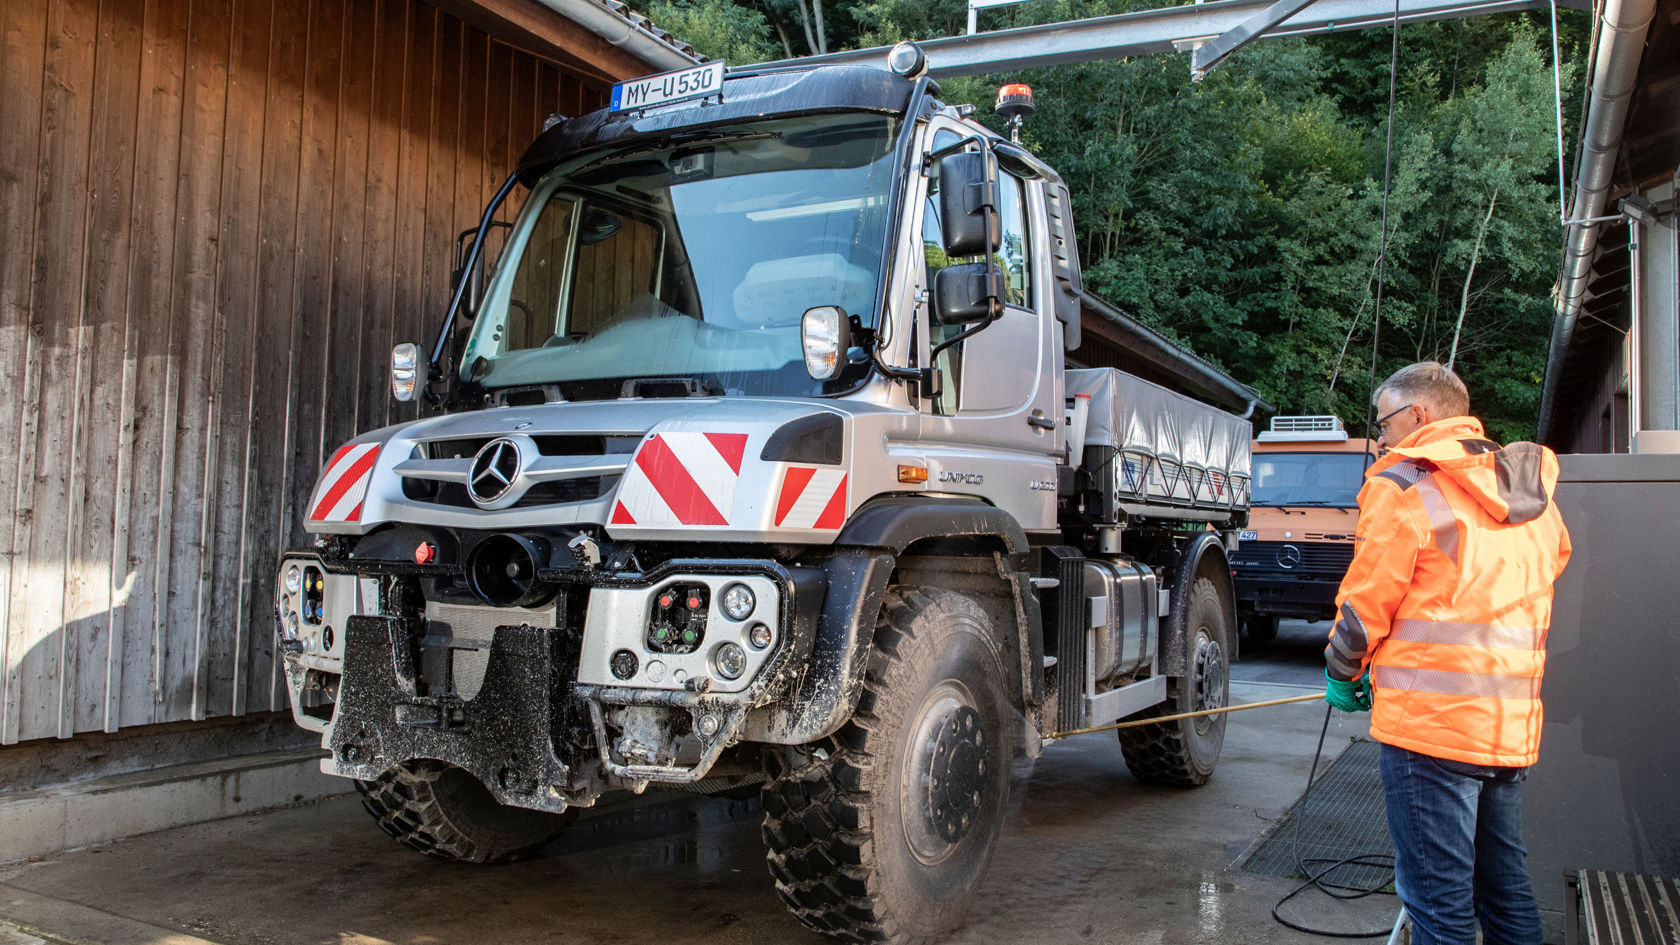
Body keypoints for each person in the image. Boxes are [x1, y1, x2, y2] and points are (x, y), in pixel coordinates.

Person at [1323, 362, 1571, 945]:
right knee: (1505, 893)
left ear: (1418, 415)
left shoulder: (1405, 483)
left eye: (1383, 422)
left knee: (1439, 906)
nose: (1379, 438)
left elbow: (1366, 603)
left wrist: (1344, 670)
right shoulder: (1528, 493)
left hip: (1430, 732)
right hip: (1506, 726)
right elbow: (1548, 566)